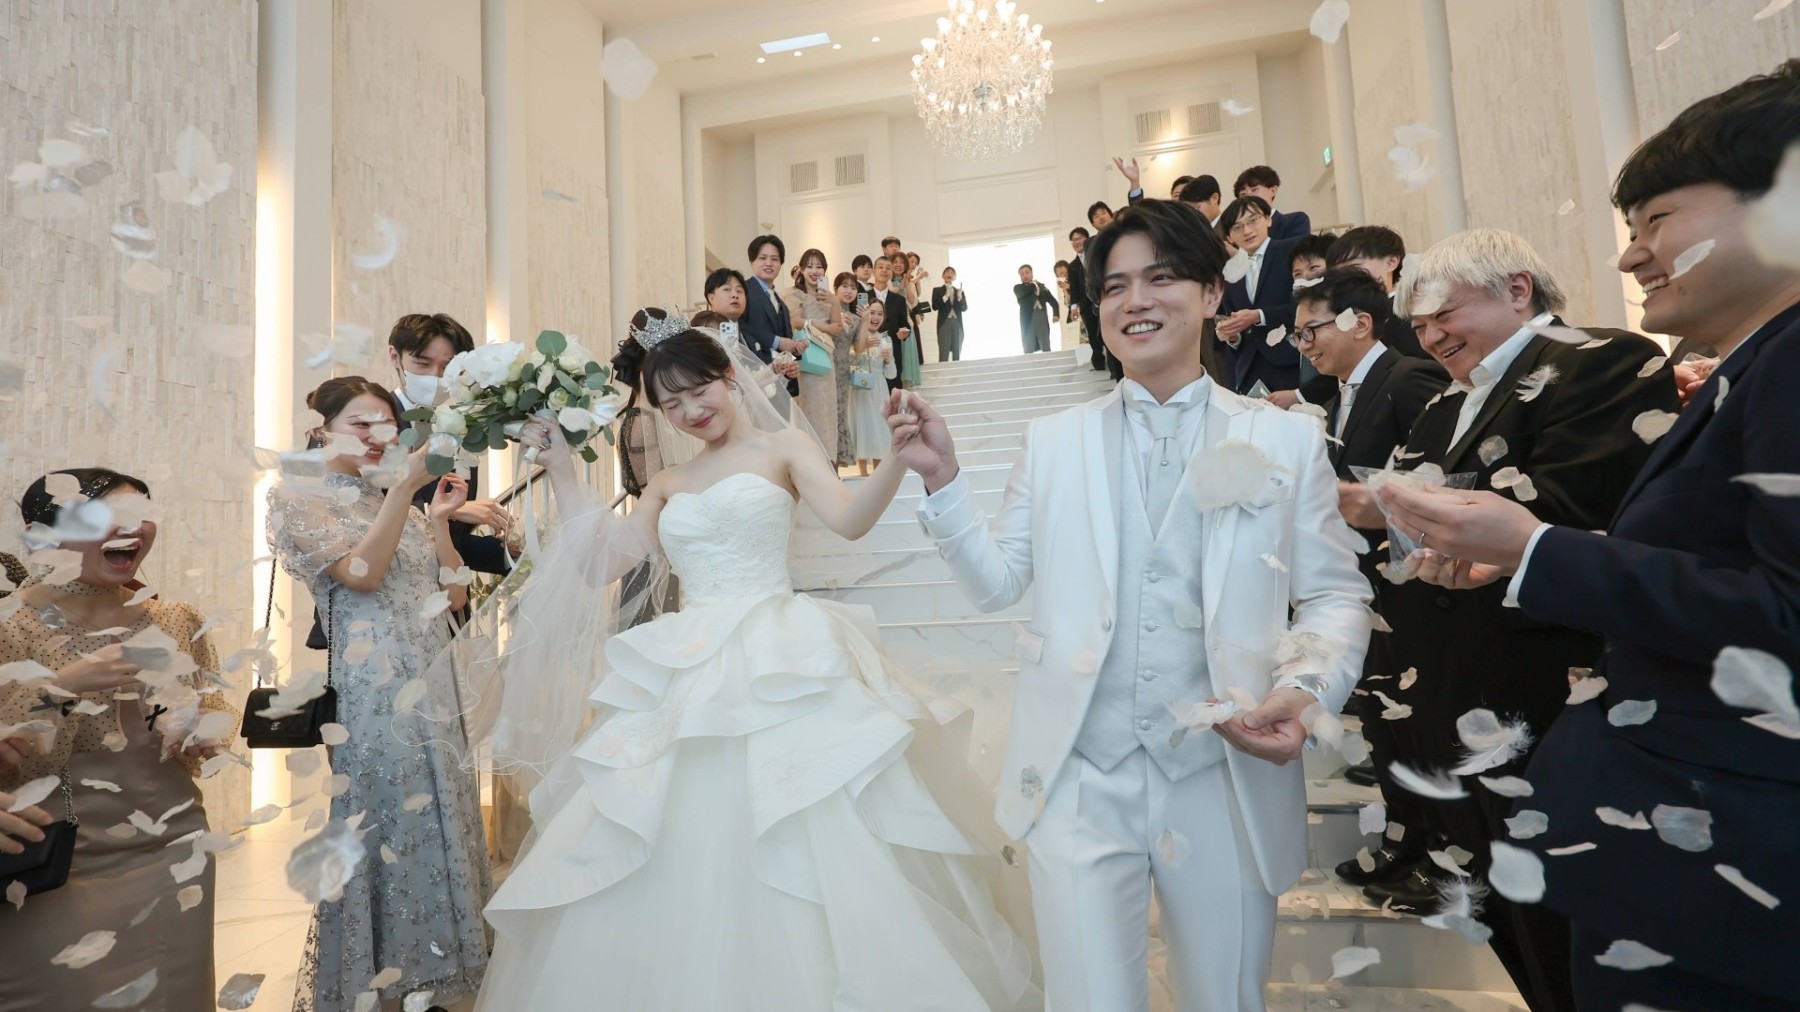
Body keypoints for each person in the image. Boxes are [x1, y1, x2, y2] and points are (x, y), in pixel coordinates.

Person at [1376, 61, 1800, 1012]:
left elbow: (1784, 613)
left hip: (1727, 850)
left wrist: (1533, 549)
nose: (1629, 257)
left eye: (1657, 221)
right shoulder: (1755, 366)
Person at [466, 323, 1039, 1011]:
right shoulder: (668, 482)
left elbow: (849, 519)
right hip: (690, 661)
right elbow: (600, 563)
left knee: (814, 820)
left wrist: (896, 460)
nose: (689, 410)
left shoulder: (784, 447)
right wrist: (561, 469)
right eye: (671, 403)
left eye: (697, 390)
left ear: (729, 377)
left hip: (781, 651)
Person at [897, 199, 1373, 1009]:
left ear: (1212, 294)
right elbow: (996, 582)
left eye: (1161, 279)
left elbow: (1334, 593)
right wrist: (943, 483)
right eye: (1114, 287)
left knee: (1224, 998)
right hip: (1082, 771)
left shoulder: (1285, 439)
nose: (1135, 301)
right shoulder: (1054, 440)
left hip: (1224, 769)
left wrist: (1306, 689)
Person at [1351, 229, 1677, 1012]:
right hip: (1454, 704)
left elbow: (1570, 508)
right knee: (1514, 927)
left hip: (1549, 703)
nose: (1431, 338)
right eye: (1418, 326)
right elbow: (1407, 526)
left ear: (1518, 290)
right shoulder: (1442, 401)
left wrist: (1389, 505)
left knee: (1577, 929)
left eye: (1443, 315)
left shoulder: (1601, 361)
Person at [269, 377, 492, 1011]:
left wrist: (439, 523)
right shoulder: (297, 495)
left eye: (385, 425)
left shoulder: (396, 501)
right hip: (373, 692)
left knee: (443, 818)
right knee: (388, 821)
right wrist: (402, 491)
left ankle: (433, 980)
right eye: (359, 424)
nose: (375, 436)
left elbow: (453, 598)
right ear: (323, 429)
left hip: (434, 683)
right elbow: (360, 577)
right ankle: (381, 984)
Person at [0, 468, 238, 1012]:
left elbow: (215, 705)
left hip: (174, 848)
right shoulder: (10, 629)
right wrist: (63, 686)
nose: (129, 530)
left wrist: (204, 733)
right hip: (57, 860)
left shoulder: (175, 619)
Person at [1288, 269, 1449, 888]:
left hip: (1413, 582)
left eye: (1312, 331)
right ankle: (1402, 843)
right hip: (1368, 587)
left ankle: (1439, 855)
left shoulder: (1409, 378)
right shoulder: (1339, 397)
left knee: (1418, 721)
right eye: (1298, 336)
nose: (1305, 346)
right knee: (1387, 719)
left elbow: (1442, 479)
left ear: (1360, 322)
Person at [305, 313, 516, 651]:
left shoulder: (457, 434)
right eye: (423, 363)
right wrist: (440, 510)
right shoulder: (358, 425)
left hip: (443, 615)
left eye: (447, 368)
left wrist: (511, 553)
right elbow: (339, 513)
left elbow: (452, 542)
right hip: (371, 620)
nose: (435, 377)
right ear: (395, 357)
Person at [1215, 196, 1302, 394]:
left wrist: (1259, 316)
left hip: (1291, 359)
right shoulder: (1229, 271)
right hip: (1249, 368)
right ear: (1229, 237)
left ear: (1268, 219)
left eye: (1253, 220)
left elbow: (1306, 306)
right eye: (1237, 227)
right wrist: (1232, 336)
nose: (1247, 231)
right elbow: (1232, 318)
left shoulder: (1292, 251)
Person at [782, 248, 846, 462]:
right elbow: (795, 321)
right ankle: (809, 461)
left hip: (826, 360)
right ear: (801, 269)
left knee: (827, 412)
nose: (814, 271)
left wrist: (835, 302)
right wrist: (822, 326)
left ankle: (828, 461)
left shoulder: (829, 297)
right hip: (806, 358)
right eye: (809, 266)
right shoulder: (793, 293)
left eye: (819, 266)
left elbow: (837, 327)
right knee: (809, 409)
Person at [1327, 226, 1428, 359]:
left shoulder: (1409, 314)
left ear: (1391, 262)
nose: (1344, 277)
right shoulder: (1342, 318)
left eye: (1353, 267)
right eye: (1337, 273)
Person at [740, 235, 807, 392]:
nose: (769, 263)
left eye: (775, 259)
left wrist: (795, 350)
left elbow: (785, 344)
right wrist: (776, 341)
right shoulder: (743, 291)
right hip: (756, 378)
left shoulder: (781, 303)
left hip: (780, 385)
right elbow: (740, 327)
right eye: (763, 258)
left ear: (781, 264)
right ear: (752, 261)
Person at [849, 299, 896, 475]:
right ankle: (862, 473)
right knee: (862, 425)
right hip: (859, 388)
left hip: (879, 389)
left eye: (880, 314)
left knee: (879, 428)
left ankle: (878, 473)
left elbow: (891, 374)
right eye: (872, 313)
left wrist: (888, 360)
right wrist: (863, 346)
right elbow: (848, 360)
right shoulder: (856, 335)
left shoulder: (886, 339)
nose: (875, 317)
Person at [1069, 227, 1115, 377]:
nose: (1077, 242)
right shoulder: (1072, 266)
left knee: (1107, 333)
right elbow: (1074, 289)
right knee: (1093, 336)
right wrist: (1073, 308)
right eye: (1074, 240)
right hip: (1086, 305)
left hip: (1102, 301)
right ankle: (1098, 363)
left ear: (1088, 239)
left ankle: (1114, 367)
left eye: (1080, 238)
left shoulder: (1097, 258)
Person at [830, 272, 862, 465]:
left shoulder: (856, 319)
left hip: (843, 370)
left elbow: (859, 348)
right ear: (835, 289)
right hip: (824, 366)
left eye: (853, 287)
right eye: (844, 286)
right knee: (826, 413)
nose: (849, 291)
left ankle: (837, 464)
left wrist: (866, 320)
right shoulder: (826, 311)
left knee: (840, 413)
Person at [871, 254, 914, 390]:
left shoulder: (899, 300)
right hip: (869, 355)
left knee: (894, 394)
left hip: (892, 354)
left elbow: (905, 325)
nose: (884, 270)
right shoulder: (863, 297)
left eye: (888, 268)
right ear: (873, 271)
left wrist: (904, 332)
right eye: (881, 267)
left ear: (891, 273)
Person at [1234, 165, 1311, 240]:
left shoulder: (1294, 221)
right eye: (1243, 194)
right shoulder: (1236, 231)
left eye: (1254, 190)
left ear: (1273, 191)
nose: (1248, 196)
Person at [1012, 265, 1058, 354]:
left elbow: (1053, 301)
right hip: (1027, 319)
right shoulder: (1018, 288)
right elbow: (1026, 290)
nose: (1024, 276)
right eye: (1022, 274)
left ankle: (1048, 360)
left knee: (1045, 344)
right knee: (1028, 345)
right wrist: (1034, 284)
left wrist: (1056, 314)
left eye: (1027, 273)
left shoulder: (1042, 287)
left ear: (1031, 273)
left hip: (1041, 316)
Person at [932, 266, 968, 362]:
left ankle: (957, 371)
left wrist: (960, 297)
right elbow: (935, 306)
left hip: (957, 323)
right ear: (943, 276)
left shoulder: (959, 291)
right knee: (944, 354)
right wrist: (945, 296)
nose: (950, 274)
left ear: (955, 277)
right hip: (944, 323)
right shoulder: (937, 290)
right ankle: (943, 371)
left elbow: (964, 308)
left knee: (957, 354)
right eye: (947, 272)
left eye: (952, 273)